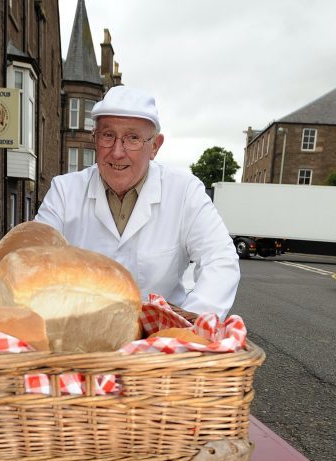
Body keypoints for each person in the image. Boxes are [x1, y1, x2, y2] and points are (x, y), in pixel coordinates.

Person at [35, 86, 239, 319]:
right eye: (108, 136)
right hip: (79, 336)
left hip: (160, 342)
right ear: (95, 138)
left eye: (133, 138)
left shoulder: (184, 191)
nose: (117, 152)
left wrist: (188, 325)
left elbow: (219, 258)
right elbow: (33, 259)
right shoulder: (64, 191)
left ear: (155, 146)